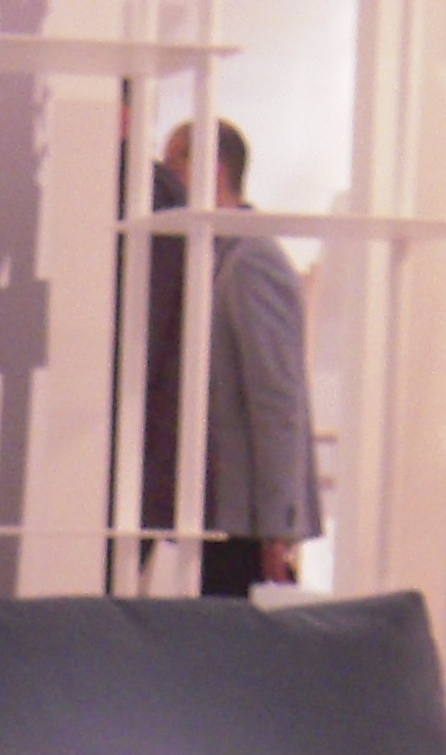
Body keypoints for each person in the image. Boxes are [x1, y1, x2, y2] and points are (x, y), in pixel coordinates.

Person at [139, 116, 318, 599]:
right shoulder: (218, 257)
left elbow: (278, 398)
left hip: (242, 521)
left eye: (174, 163)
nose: (164, 180)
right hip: (219, 513)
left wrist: (278, 529)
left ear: (211, 170)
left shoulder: (251, 260)